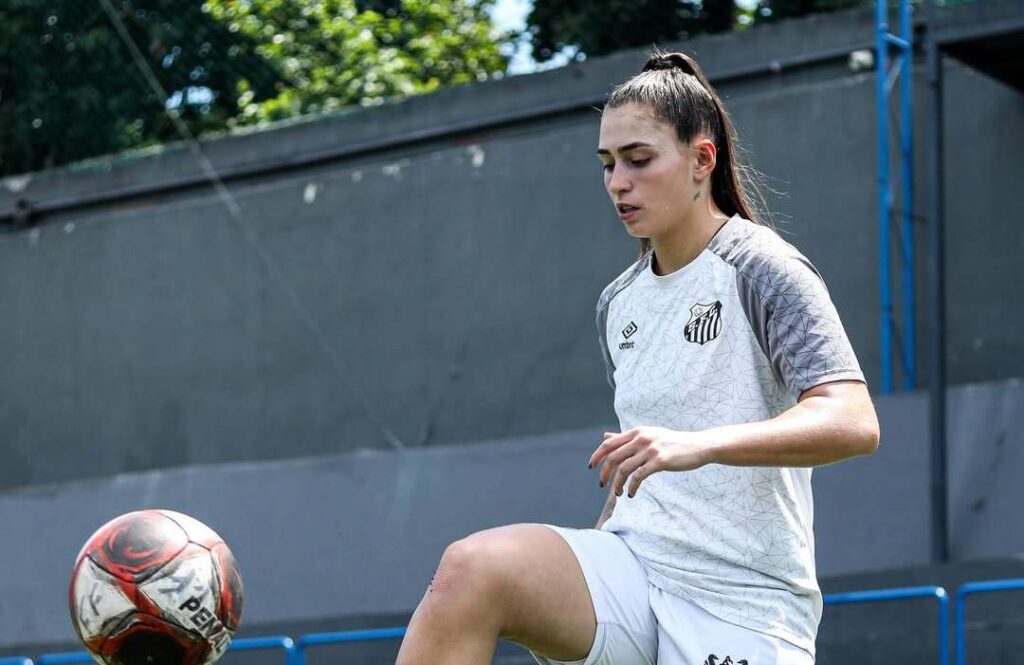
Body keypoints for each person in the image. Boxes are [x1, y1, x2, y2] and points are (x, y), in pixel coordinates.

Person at [394, 48, 879, 665]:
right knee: (473, 570)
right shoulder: (618, 303)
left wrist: (701, 443)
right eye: (607, 164)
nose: (618, 182)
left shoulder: (764, 268)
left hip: (740, 603)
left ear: (702, 159)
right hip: (632, 567)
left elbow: (853, 421)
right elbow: (637, 463)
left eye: (639, 160)